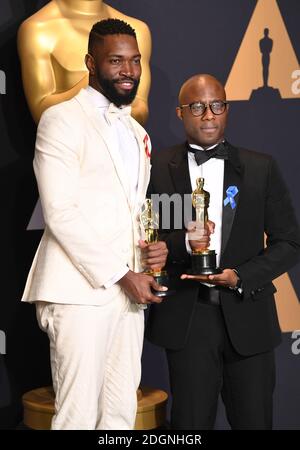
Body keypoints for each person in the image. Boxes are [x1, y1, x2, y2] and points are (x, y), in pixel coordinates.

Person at [21, 18, 168, 430]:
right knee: (78, 416)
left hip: (129, 293)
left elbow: (135, 206)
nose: (129, 71)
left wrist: (151, 248)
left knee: (120, 414)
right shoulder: (60, 120)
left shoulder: (138, 132)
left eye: (135, 61)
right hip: (78, 292)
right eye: (116, 61)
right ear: (90, 62)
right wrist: (123, 274)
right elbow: (61, 212)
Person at [146, 74, 300, 429]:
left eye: (217, 105)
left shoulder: (260, 168)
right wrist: (179, 243)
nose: (209, 115)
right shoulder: (158, 169)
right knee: (190, 425)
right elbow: (154, 238)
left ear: (227, 110)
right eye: (197, 107)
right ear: (180, 112)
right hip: (187, 319)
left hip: (249, 316)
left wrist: (241, 276)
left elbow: (289, 242)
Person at [18, 0, 151, 125]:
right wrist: (98, 81)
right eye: (116, 60)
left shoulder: (137, 30)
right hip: (70, 145)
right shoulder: (38, 30)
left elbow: (140, 110)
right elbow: (42, 114)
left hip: (124, 145)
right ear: (90, 63)